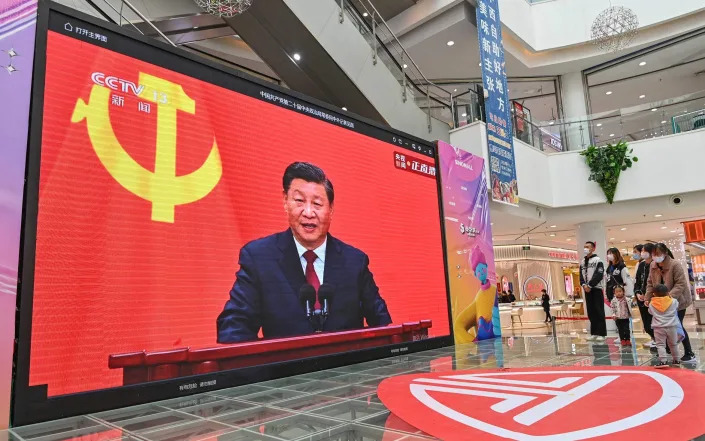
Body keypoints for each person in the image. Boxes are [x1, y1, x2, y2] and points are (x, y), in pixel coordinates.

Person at [216, 162, 392, 343]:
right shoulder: (259, 258)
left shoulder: (355, 262)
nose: (308, 213)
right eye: (299, 201)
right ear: (285, 201)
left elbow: (384, 326)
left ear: (331, 209)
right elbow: (233, 329)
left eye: (317, 203)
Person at [645, 243, 695, 362]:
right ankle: (667, 350)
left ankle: (689, 352)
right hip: (661, 302)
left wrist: (669, 298)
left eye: (658, 254)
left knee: (677, 326)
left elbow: (681, 284)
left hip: (677, 301)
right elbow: (650, 283)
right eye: (653, 254)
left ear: (665, 253)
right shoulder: (653, 265)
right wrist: (647, 297)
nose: (655, 256)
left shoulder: (674, 264)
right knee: (663, 327)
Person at [454, 247, 499, 344]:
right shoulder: (478, 298)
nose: (481, 272)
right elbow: (458, 325)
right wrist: (474, 342)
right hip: (485, 348)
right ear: (475, 274)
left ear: (486, 267)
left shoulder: (494, 290)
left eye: (482, 268)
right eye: (478, 271)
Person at [648, 284, 681, 368]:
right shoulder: (673, 301)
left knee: (660, 345)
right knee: (673, 344)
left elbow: (650, 312)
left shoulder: (652, 303)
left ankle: (663, 361)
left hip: (658, 327)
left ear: (654, 294)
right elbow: (677, 306)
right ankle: (676, 360)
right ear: (667, 293)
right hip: (672, 326)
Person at [580, 241, 607, 341]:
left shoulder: (598, 260)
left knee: (599, 310)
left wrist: (590, 285)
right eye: (584, 246)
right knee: (591, 311)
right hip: (586, 290)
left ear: (593, 248)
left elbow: (598, 275)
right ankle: (594, 332)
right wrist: (584, 285)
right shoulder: (582, 262)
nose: (585, 248)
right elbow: (581, 276)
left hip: (596, 289)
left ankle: (602, 333)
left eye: (587, 247)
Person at [634, 243, 656, 349]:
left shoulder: (655, 264)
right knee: (646, 322)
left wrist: (648, 296)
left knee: (653, 321)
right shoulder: (641, 265)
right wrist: (637, 293)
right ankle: (653, 338)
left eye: (644, 250)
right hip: (641, 298)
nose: (642, 253)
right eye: (641, 250)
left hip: (652, 298)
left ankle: (657, 339)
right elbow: (637, 280)